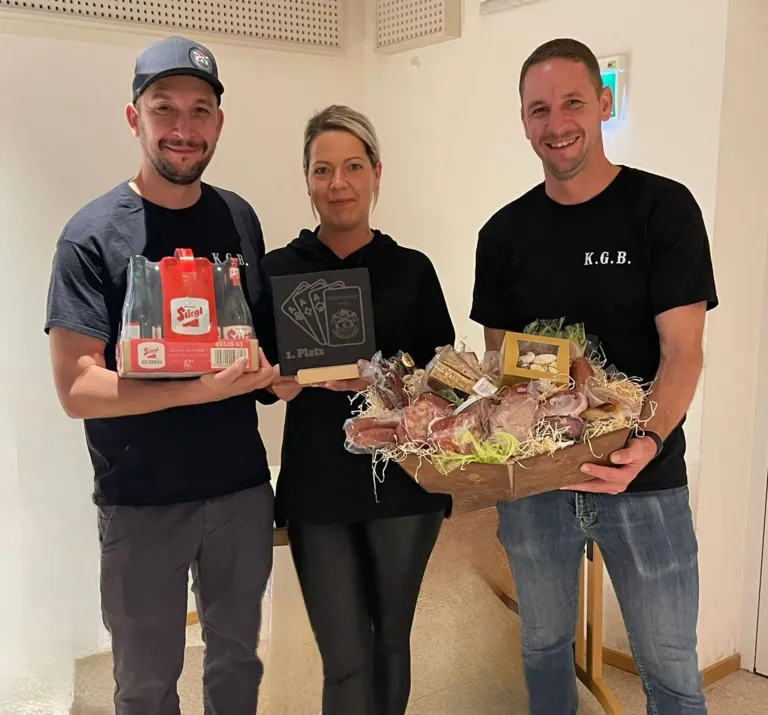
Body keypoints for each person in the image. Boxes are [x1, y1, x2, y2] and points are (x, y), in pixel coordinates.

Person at [471, 38, 718, 715]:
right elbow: (503, 364)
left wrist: (646, 437)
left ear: (604, 102)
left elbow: (683, 351)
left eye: (573, 101)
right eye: (539, 109)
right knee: (544, 647)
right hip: (536, 485)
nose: (557, 124)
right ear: (523, 120)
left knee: (669, 669)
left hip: (645, 476)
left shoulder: (662, 210)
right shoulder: (503, 234)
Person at [44, 36, 278, 715]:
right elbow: (76, 388)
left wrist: (281, 376)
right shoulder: (91, 236)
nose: (183, 129)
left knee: (237, 668)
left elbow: (254, 346)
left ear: (219, 123)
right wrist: (200, 388)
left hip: (239, 491)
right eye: (164, 108)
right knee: (145, 685)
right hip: (141, 501)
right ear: (133, 117)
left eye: (200, 110)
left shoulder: (238, 217)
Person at [256, 104, 455, 715]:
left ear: (375, 173)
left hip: (402, 482)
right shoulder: (277, 271)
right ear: (307, 179)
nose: (337, 183)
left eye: (351, 167)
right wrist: (275, 383)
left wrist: (380, 374)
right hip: (318, 484)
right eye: (322, 170)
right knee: (344, 659)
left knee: (390, 640)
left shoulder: (412, 270)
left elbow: (444, 380)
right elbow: (261, 376)